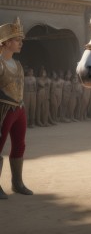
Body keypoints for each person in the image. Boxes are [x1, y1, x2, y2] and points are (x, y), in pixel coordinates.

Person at [0, 18, 33, 198]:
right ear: (5, 42)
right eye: (16, 39)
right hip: (3, 109)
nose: (20, 43)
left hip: (19, 110)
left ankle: (17, 182)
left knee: (19, 145)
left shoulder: (18, 65)